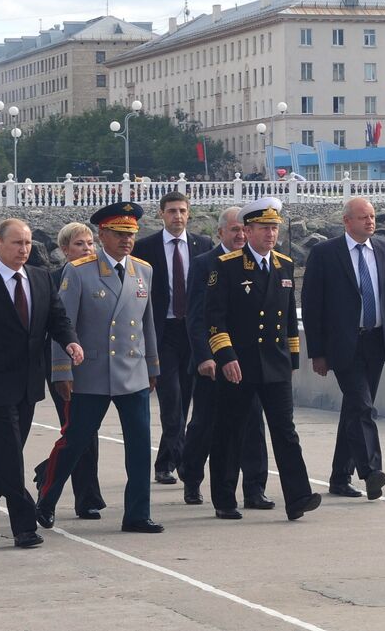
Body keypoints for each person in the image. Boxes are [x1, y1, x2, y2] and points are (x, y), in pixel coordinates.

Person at [0, 219, 84, 548]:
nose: (24, 250)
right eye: (16, 243)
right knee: (10, 458)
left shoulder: (40, 279)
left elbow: (58, 319)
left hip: (28, 384)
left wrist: (70, 342)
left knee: (6, 458)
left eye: (27, 244)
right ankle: (25, 526)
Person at [35, 202, 163, 534]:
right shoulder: (79, 271)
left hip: (132, 371)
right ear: (102, 234)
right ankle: (46, 501)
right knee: (74, 442)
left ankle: (137, 513)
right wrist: (62, 370)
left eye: (131, 234)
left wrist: (152, 367)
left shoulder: (143, 271)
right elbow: (63, 325)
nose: (127, 241)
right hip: (90, 373)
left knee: (138, 447)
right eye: (120, 234)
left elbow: (148, 323)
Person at [302, 197, 385, 500]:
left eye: (372, 217)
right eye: (363, 217)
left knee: (353, 410)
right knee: (361, 405)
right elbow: (312, 305)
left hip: (377, 340)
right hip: (343, 344)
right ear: (347, 221)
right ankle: (371, 471)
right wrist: (317, 352)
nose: (370, 222)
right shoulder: (325, 254)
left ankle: (339, 477)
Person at [205, 197, 321, 521]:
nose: (270, 234)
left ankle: (297, 497)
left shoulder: (284, 264)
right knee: (231, 431)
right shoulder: (227, 266)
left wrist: (292, 360)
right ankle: (225, 498)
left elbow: (288, 321)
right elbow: (215, 318)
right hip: (239, 364)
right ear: (249, 230)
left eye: (274, 228)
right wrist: (225, 356)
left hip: (275, 363)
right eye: (264, 228)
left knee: (285, 430)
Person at [178, 206, 270, 508]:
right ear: (220, 233)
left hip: (248, 365)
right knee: (205, 425)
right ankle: (192, 479)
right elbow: (197, 317)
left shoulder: (258, 263)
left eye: (244, 229)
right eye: (234, 230)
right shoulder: (205, 264)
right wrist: (205, 356)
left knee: (254, 426)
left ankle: (254, 489)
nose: (240, 235)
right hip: (214, 364)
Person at [133, 191, 212, 485]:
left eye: (182, 211)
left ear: (189, 213)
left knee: (189, 401)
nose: (177, 216)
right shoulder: (145, 248)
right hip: (162, 332)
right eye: (171, 211)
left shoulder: (202, 246)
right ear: (161, 214)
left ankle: (177, 458)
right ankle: (168, 463)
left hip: (193, 333)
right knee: (172, 402)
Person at [33, 222, 107, 520]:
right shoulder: (53, 280)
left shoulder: (100, 278)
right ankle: (86, 499)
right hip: (63, 366)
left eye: (90, 243)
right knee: (77, 431)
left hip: (94, 366)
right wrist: (61, 371)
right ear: (64, 250)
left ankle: (47, 470)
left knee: (89, 431)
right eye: (79, 244)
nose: (87, 249)